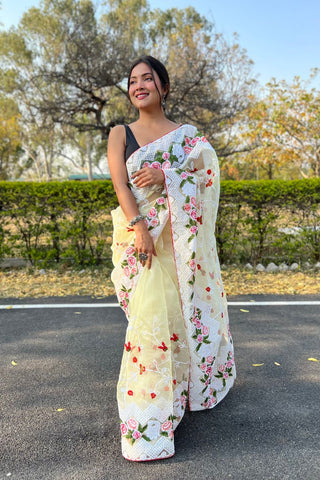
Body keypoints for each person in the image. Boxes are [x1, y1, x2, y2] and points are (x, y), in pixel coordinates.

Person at [107, 55, 236, 462]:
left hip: (182, 245)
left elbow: (208, 174)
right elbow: (122, 187)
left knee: (170, 321)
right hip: (141, 239)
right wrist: (141, 228)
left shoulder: (186, 136)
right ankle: (160, 401)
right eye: (132, 80)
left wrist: (169, 176)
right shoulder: (119, 133)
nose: (138, 85)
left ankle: (151, 417)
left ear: (163, 87)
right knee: (151, 320)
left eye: (147, 79)